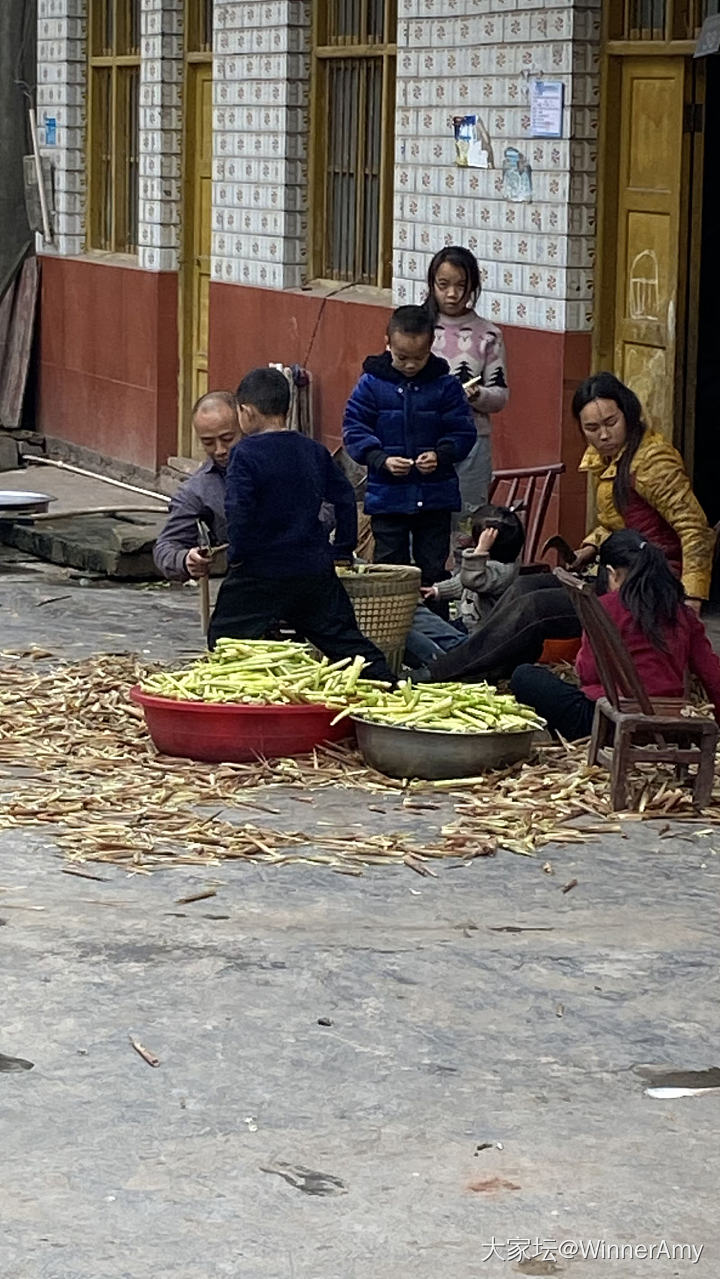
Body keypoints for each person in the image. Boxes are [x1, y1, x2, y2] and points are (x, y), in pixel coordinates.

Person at [420, 372, 716, 684]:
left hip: (649, 583)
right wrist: (588, 548)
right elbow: (614, 522)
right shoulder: (610, 457)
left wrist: (692, 598)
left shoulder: (653, 463)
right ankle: (478, 667)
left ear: (628, 414)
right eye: (592, 428)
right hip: (615, 572)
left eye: (611, 423)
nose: (603, 435)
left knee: (535, 608)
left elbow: (695, 529)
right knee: (522, 587)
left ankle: (442, 674)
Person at [207, 367, 395, 684]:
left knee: (224, 641)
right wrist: (343, 549)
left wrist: (237, 554)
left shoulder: (245, 454)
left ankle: (240, 701)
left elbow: (239, 509)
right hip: (312, 568)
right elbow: (345, 497)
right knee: (345, 643)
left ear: (246, 411)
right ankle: (388, 686)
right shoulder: (313, 450)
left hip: (260, 569)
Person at [510, 530, 720, 740]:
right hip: (670, 727)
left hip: (608, 724)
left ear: (612, 573)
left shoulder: (604, 607)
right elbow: (712, 676)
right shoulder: (682, 612)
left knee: (524, 675)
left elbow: (588, 673)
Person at [342, 304, 476, 586]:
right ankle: (392, 625)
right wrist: (380, 459)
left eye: (419, 357)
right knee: (389, 569)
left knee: (433, 569)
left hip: (435, 496)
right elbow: (354, 429)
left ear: (432, 346)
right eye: (402, 357)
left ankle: (436, 625)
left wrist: (440, 455)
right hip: (388, 496)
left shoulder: (446, 385)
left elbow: (463, 432)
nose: (411, 365)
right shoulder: (370, 384)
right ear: (387, 343)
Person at [426, 245, 509, 519]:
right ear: (432, 284)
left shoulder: (488, 334)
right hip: (423, 436)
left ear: (473, 286)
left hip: (473, 442)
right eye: (444, 284)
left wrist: (478, 395)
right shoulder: (417, 325)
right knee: (422, 522)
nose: (452, 294)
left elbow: (500, 395)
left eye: (461, 285)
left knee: (467, 522)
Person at [404, 504, 525, 667]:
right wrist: (437, 590)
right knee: (417, 618)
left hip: (475, 644)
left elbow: (470, 580)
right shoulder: (488, 570)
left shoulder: (501, 573)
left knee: (412, 621)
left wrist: (480, 550)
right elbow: (463, 582)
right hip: (464, 627)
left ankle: (444, 664)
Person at [153, 390, 241, 581]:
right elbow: (166, 546)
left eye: (227, 439)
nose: (220, 450)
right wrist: (185, 560)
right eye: (208, 442)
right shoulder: (198, 489)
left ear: (244, 426)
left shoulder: (278, 462)